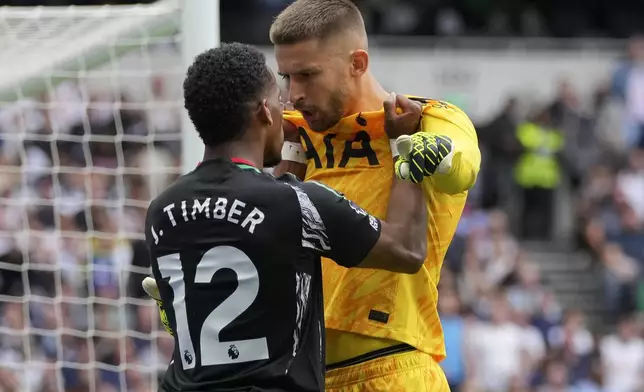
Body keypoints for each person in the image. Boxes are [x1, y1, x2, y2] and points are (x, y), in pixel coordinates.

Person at [144, 42, 444, 391]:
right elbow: (406, 249)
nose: (287, 107)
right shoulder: (297, 204)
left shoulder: (162, 211)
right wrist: (403, 143)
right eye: (277, 100)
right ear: (264, 112)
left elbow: (253, 225)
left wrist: (294, 151)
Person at [269, 0, 481, 390]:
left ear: (358, 63)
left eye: (307, 75)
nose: (293, 94)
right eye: (285, 77)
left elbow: (461, 168)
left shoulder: (423, 118)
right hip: (301, 375)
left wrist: (433, 153)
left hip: (392, 369)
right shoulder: (295, 138)